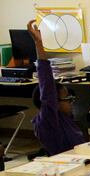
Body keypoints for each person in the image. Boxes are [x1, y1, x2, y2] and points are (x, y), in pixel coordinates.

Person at [27, 20, 86, 155]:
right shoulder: (49, 120)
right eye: (67, 99)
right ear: (54, 103)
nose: (71, 102)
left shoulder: (65, 118)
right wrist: (39, 44)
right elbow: (47, 88)